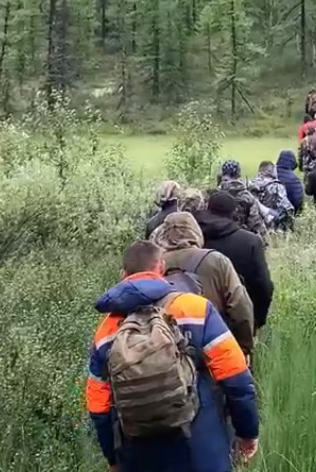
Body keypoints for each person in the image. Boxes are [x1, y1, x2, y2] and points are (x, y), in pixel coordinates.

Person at [87, 241, 260, 472]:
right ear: (161, 267)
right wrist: (247, 432)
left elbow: (99, 407)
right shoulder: (195, 308)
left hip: (138, 454)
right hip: (201, 448)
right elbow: (236, 377)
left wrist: (113, 458)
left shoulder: (105, 331)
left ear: (123, 275)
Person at [153, 212, 255, 356]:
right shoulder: (215, 260)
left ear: (162, 235)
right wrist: (244, 348)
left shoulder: (152, 264)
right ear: (196, 233)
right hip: (212, 349)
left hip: (165, 354)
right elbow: (240, 307)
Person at [196, 192, 274, 330]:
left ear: (207, 209)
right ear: (233, 212)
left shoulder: (195, 237)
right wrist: (257, 320)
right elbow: (263, 286)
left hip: (197, 316)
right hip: (237, 318)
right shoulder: (250, 242)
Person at [218, 160, 267, 237]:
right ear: (239, 175)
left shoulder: (215, 195)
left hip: (217, 239)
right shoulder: (248, 197)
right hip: (241, 239)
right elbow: (256, 225)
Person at [249, 161, 294, 230]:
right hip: (272, 224)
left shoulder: (251, 185)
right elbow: (288, 208)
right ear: (270, 171)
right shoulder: (277, 186)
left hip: (254, 225)